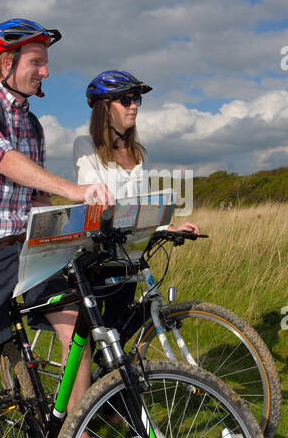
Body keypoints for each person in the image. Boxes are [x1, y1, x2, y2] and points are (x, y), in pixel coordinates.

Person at [0, 19, 124, 438]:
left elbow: (35, 194)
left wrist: (79, 212)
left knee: (77, 327)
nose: (45, 71)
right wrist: (74, 186)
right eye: (36, 62)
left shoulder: (33, 123)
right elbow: (3, 160)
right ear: (5, 63)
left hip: (28, 251)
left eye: (46, 62)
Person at [71, 71, 200, 341]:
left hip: (129, 255)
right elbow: (95, 198)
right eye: (126, 100)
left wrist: (167, 225)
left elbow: (144, 203)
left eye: (136, 100)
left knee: (118, 330)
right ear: (104, 108)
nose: (133, 106)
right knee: (92, 335)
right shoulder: (86, 146)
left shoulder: (140, 153)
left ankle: (111, 382)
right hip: (98, 256)